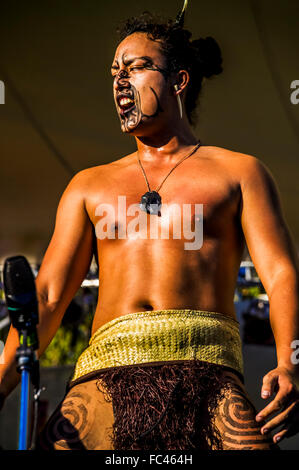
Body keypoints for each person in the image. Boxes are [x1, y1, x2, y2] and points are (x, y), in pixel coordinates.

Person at [1, 7, 299, 451]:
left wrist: (291, 365)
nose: (120, 80)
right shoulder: (88, 184)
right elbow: (47, 296)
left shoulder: (240, 172)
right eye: (114, 71)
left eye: (136, 67)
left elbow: (279, 275)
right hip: (104, 371)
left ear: (178, 80)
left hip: (209, 369)